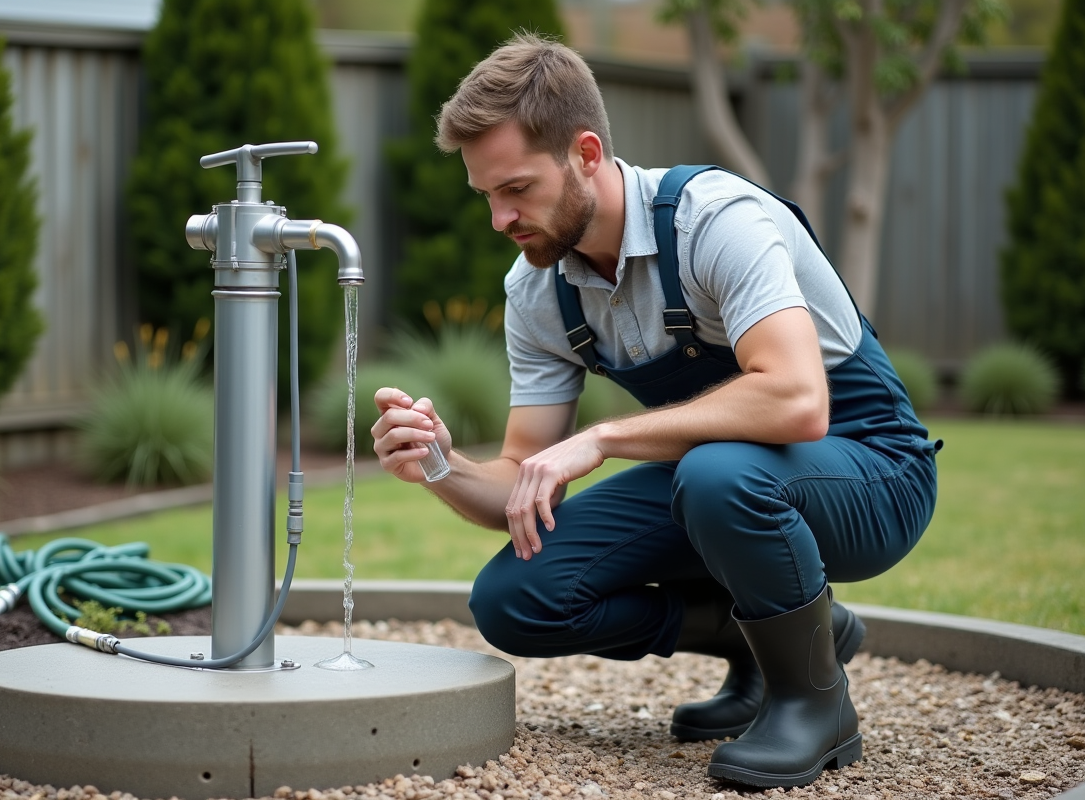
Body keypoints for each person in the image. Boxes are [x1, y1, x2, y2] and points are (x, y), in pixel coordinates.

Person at [370, 33, 940, 790]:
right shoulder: (539, 291)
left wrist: (603, 437)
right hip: (718, 482)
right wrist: (438, 465)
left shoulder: (715, 220)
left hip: (872, 472)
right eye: (487, 196)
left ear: (587, 153)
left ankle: (815, 705)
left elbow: (798, 401)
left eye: (517, 189)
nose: (500, 219)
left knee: (717, 475)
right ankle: (771, 645)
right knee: (514, 599)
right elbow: (521, 484)